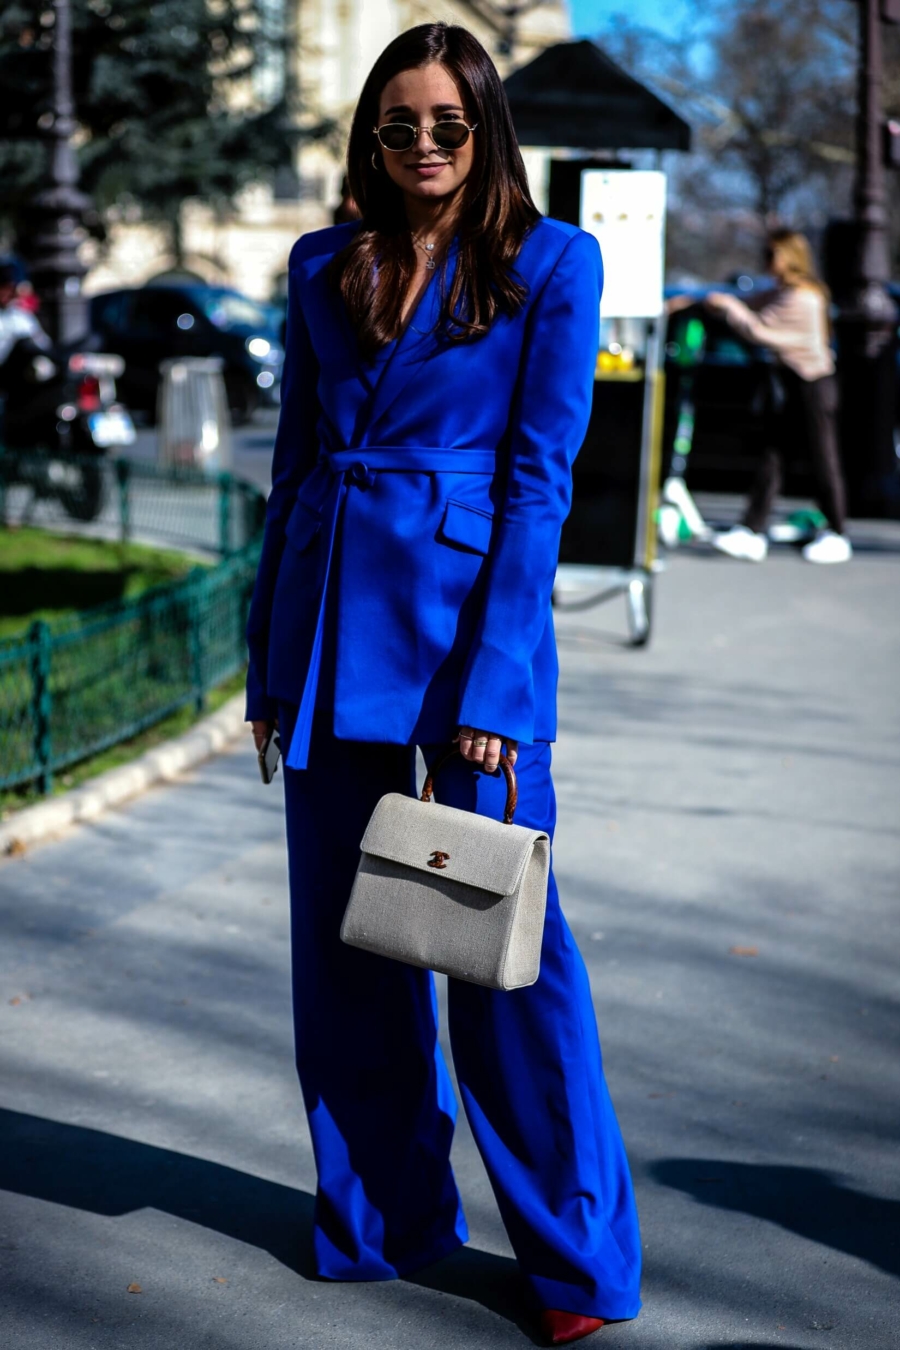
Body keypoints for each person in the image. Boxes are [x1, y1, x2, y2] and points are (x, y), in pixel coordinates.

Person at [245, 23, 641, 1346]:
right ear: (371, 136)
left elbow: (539, 486)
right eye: (397, 123)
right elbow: (295, 470)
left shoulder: (548, 262)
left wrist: (498, 681)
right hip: (324, 641)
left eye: (447, 123)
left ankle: (574, 1262)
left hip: (470, 650)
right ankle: (387, 1217)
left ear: (486, 132)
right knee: (345, 954)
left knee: (503, 958)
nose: (422, 144)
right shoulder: (320, 264)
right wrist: (265, 664)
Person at [704, 230, 851, 564]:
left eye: (772, 255)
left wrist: (729, 307)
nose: (767, 262)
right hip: (793, 382)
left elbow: (759, 330)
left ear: (789, 256)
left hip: (814, 383)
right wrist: (701, 300)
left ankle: (838, 532)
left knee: (823, 459)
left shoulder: (803, 297)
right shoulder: (782, 292)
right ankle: (752, 529)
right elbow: (748, 304)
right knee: (773, 455)